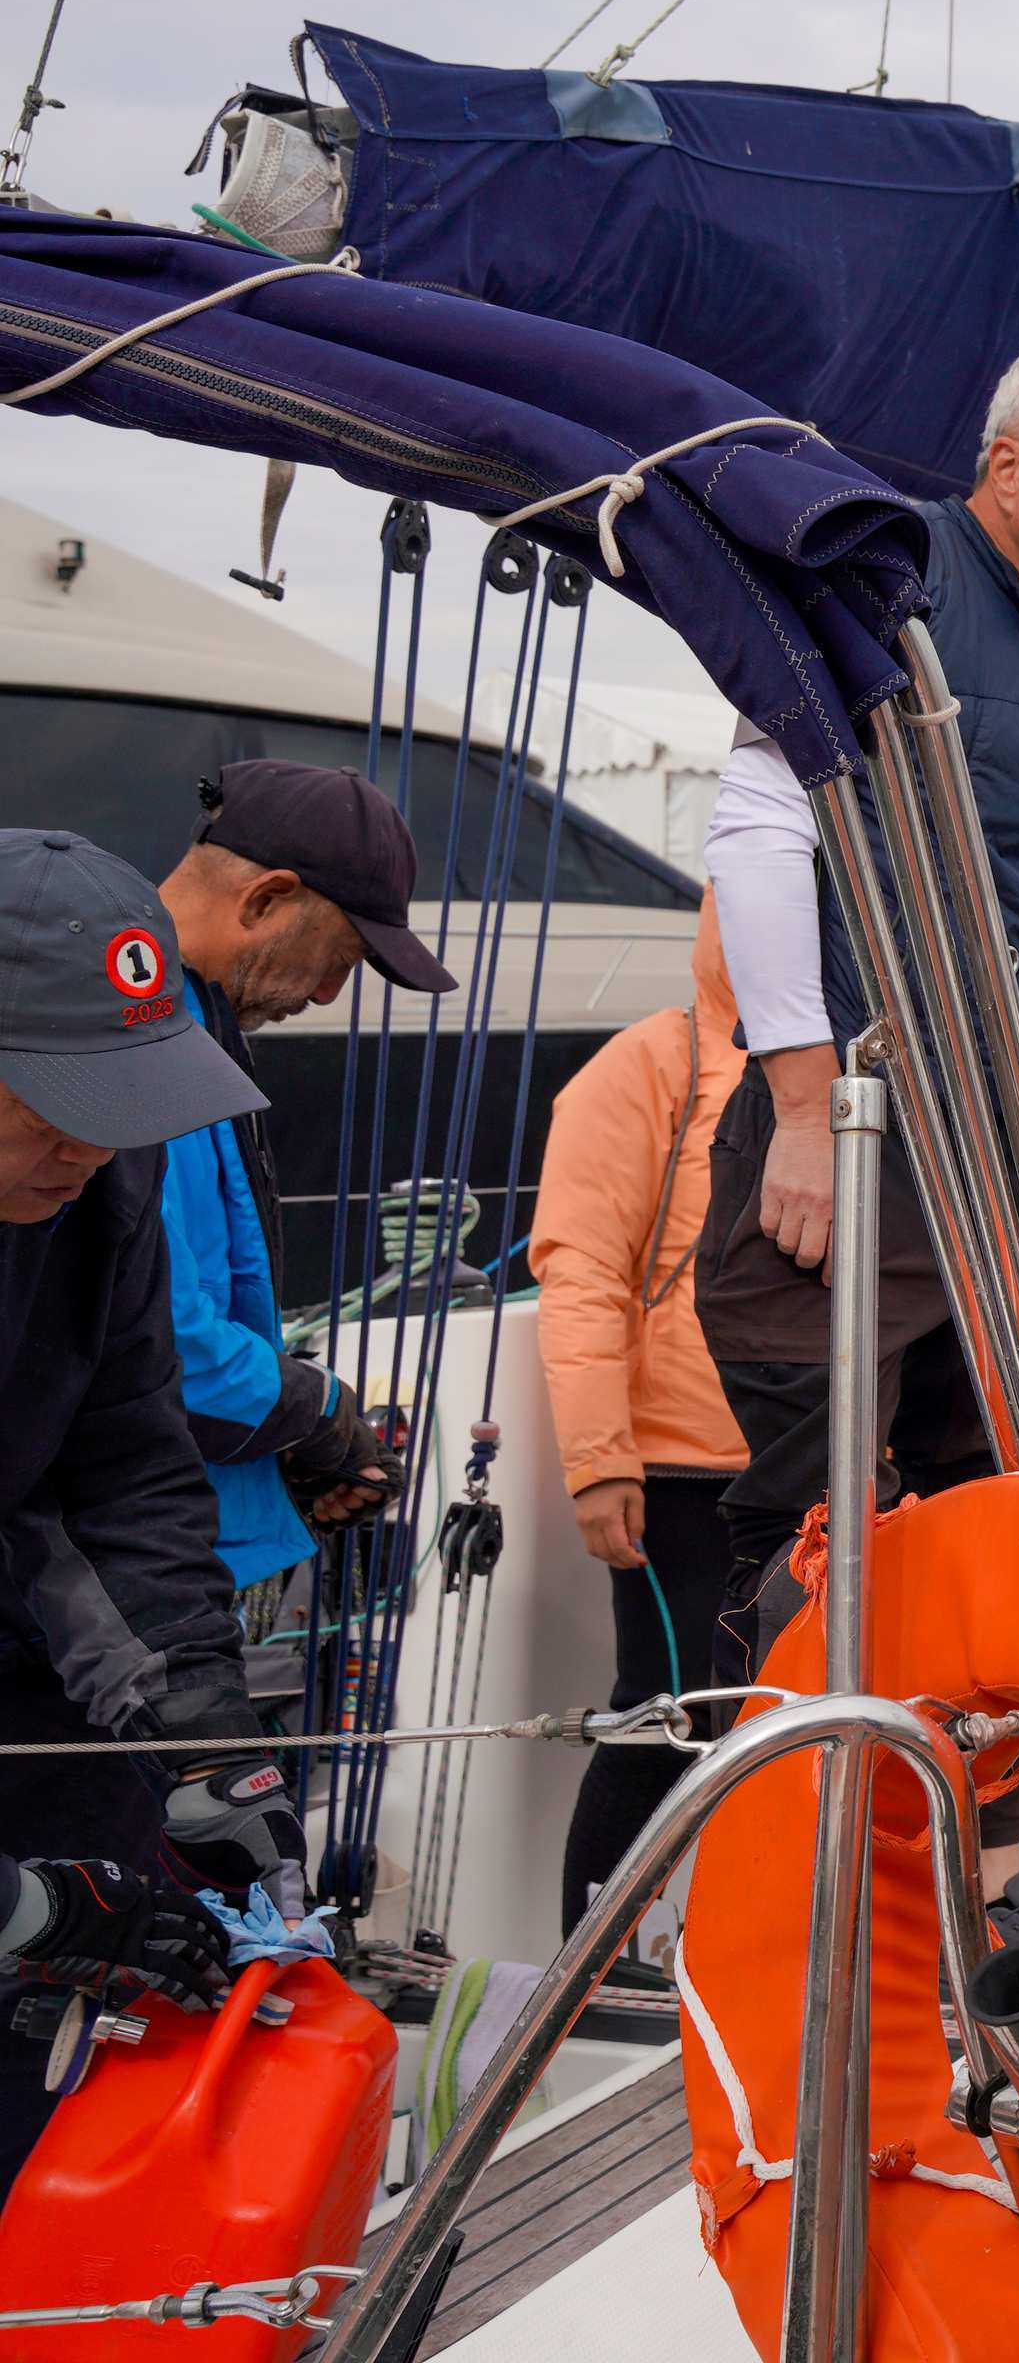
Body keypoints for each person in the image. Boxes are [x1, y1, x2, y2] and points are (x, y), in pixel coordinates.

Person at [694, 337, 1019, 1698]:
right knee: (815, 1528)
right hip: (862, 1136)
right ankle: (782, 1860)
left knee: (1002, 1518)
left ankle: (981, 1864)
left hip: (1014, 1163)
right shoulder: (890, 585)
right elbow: (766, 823)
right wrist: (797, 1106)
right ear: (1008, 466)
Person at [0, 831, 314, 2189]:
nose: (94, 1140)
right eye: (55, 1097)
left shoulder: (100, 1182)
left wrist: (201, 1736)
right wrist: (22, 1908)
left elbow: (121, 1464)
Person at [148, 763, 452, 1588]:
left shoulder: (188, 1023)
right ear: (266, 899)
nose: (325, 993)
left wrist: (284, 1455)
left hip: (173, 1539)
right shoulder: (141, 1043)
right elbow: (151, 1334)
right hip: (113, 1578)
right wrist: (315, 1412)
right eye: (340, 957)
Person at [536, 895, 749, 1935]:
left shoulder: (865, 1066)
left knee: (812, 1724)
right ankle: (594, 1952)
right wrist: (597, 1457)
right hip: (680, 1472)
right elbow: (578, 1267)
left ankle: (768, 1955)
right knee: (663, 1714)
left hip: (834, 1468)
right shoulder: (646, 1065)